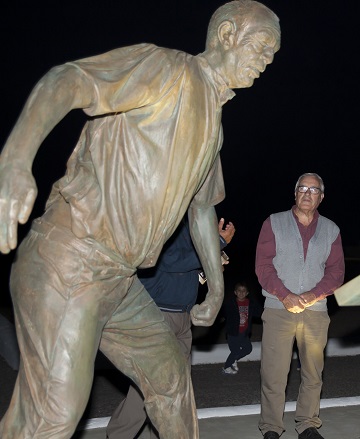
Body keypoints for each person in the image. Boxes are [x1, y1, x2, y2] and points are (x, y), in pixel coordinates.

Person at [0, 1, 280, 437]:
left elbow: (201, 208)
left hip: (119, 279)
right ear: (227, 35)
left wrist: (217, 285)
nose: (267, 61)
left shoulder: (215, 124)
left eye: (273, 54)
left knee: (170, 376)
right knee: (53, 415)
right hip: (72, 258)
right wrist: (16, 158)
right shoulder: (168, 68)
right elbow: (69, 79)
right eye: (262, 47)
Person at [106, 217, 234, 438]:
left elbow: (189, 272)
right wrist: (217, 243)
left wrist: (211, 265)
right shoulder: (162, 222)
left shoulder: (192, 227)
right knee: (151, 387)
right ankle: (118, 435)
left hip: (182, 318)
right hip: (157, 316)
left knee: (176, 390)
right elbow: (171, 260)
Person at [255, 172, 345, 439]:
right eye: (302, 188)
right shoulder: (273, 223)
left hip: (315, 312)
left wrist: (312, 295)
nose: (307, 193)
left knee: (313, 372)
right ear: (295, 193)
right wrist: (285, 295)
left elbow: (336, 272)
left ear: (322, 197)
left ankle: (307, 423)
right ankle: (271, 426)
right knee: (273, 374)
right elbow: (263, 266)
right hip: (277, 309)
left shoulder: (331, 229)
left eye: (314, 190)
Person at [220, 280, 263, 375]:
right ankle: (226, 367)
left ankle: (234, 360)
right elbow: (223, 313)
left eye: (244, 291)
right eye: (239, 290)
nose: (241, 293)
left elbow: (259, 313)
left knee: (248, 349)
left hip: (244, 332)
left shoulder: (250, 303)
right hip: (233, 332)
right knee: (235, 350)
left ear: (247, 293)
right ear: (235, 292)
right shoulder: (231, 303)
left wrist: (255, 301)